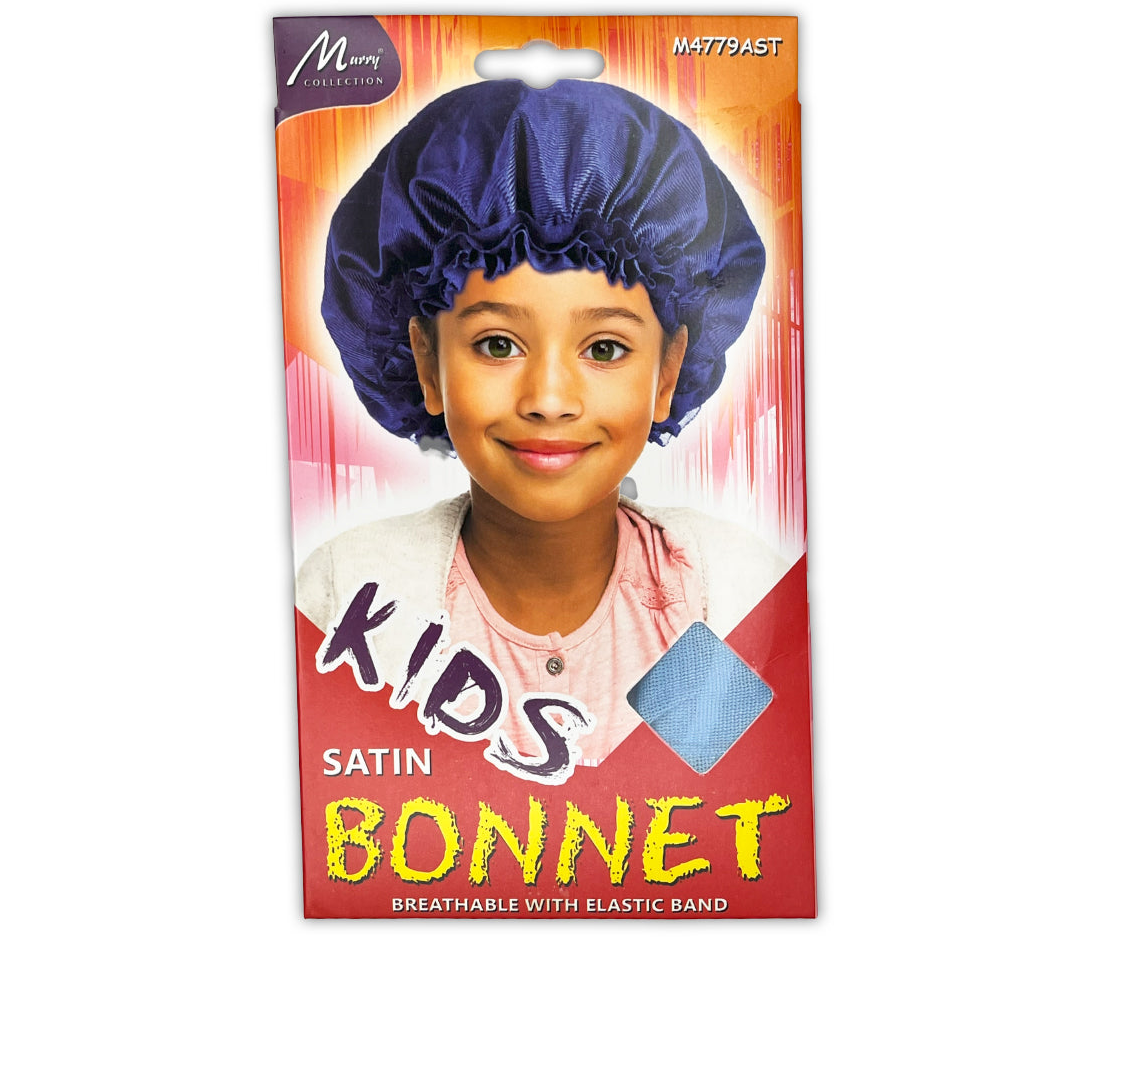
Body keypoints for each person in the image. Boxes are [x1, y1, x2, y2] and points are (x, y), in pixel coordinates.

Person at [295, 79, 786, 770]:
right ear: (426, 362)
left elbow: (708, 805)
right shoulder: (360, 597)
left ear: (668, 372)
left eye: (604, 349)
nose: (549, 400)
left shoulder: (711, 593)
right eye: (498, 344)